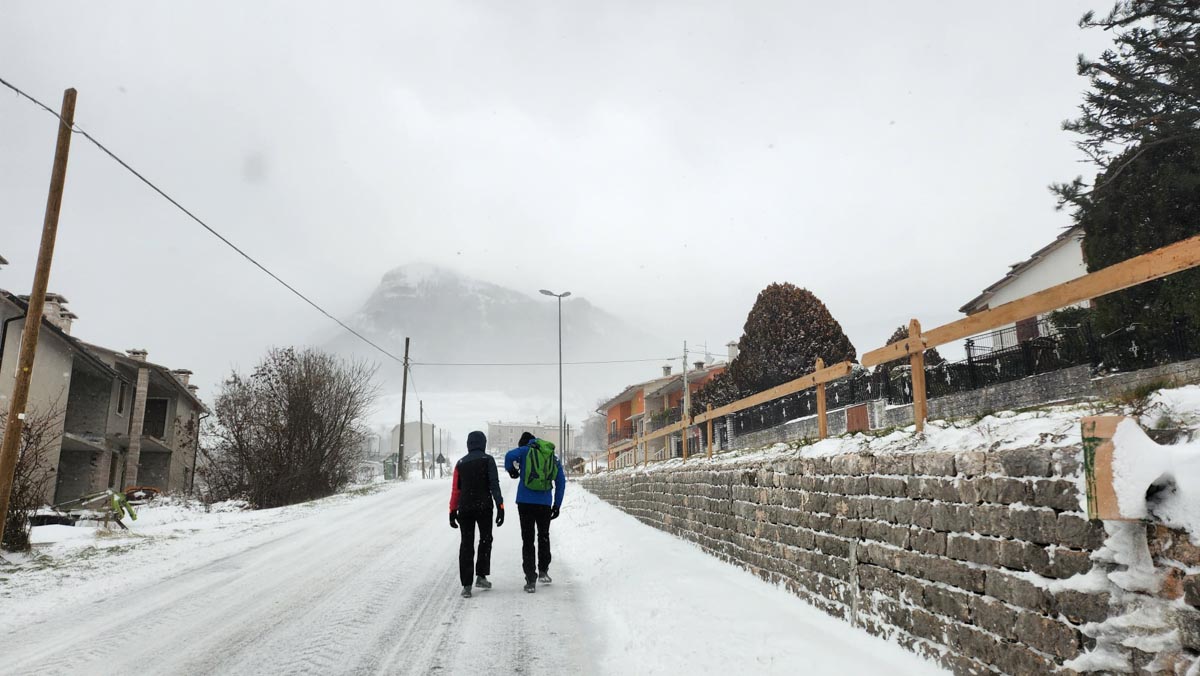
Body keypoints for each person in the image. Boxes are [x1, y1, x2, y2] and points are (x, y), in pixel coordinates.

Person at [504, 431, 566, 593]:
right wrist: (557, 504)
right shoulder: (551, 455)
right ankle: (544, 571)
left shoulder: (524, 451)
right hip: (544, 503)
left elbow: (509, 456)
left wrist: (512, 471)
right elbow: (561, 481)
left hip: (524, 502)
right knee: (543, 536)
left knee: (528, 539)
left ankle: (530, 578)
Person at [449, 430, 505, 598]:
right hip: (484, 507)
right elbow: (494, 484)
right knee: (485, 539)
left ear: (468, 444)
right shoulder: (488, 460)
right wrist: (500, 505)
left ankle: (466, 585)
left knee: (466, 544)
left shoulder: (460, 463)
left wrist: (452, 510)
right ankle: (481, 576)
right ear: (483, 443)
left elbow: (455, 490)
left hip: (465, 508)